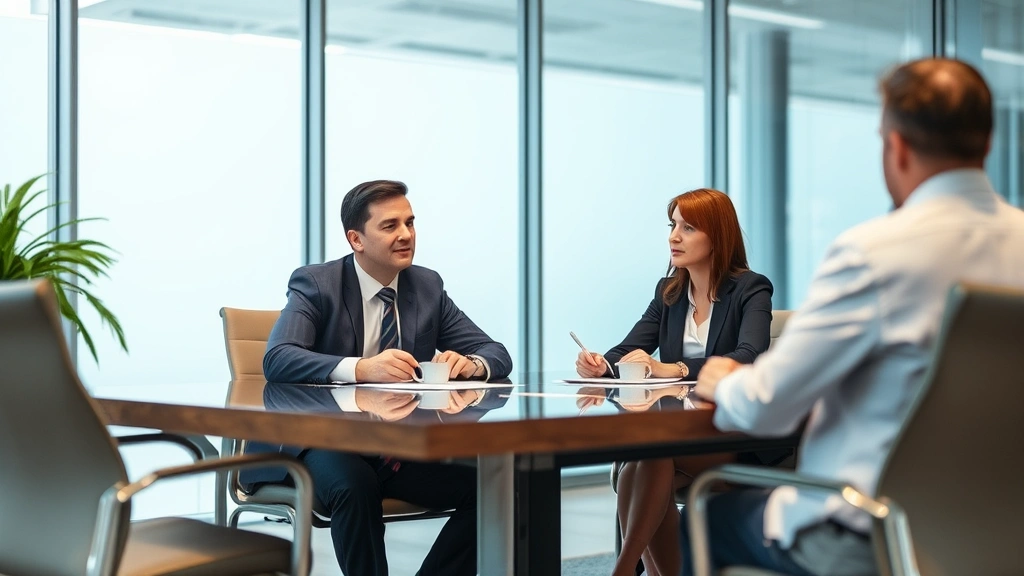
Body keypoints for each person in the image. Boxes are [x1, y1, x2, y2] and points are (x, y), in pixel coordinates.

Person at [682, 58, 1024, 576]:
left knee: (702, 516)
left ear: (897, 147)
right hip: (1006, 534)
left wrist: (725, 381)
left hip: (870, 536)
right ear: (988, 143)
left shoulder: (874, 253)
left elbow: (768, 408)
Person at [253, 179, 513, 576]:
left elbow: (497, 353)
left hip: (391, 446)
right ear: (356, 239)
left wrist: (472, 364)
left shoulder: (426, 286)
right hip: (320, 439)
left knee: (495, 487)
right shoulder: (316, 283)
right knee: (354, 486)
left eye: (410, 223)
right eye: (390, 226)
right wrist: (360, 368)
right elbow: (279, 358)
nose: (406, 235)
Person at [575, 188, 774, 576]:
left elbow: (749, 355)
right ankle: (632, 569)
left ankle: (623, 568)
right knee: (652, 460)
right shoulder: (670, 293)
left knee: (649, 455)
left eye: (688, 227)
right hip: (677, 437)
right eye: (673, 225)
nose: (674, 237)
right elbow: (628, 350)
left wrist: (678, 368)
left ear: (717, 236)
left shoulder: (751, 289)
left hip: (732, 436)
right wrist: (602, 365)